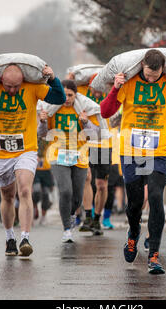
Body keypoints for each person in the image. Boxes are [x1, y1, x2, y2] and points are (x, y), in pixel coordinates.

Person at [100, 49, 166, 274]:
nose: (152, 79)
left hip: (159, 150)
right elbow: (106, 112)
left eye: (156, 76)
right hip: (131, 150)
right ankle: (133, 234)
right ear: (141, 67)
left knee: (155, 197)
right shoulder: (129, 82)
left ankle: (154, 254)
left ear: (163, 69)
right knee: (134, 203)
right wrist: (115, 88)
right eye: (148, 75)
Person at [0, 63, 65, 256]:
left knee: (25, 189)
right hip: (0, 151)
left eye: (16, 87)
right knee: (7, 196)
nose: (12, 90)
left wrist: (53, 79)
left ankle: (25, 238)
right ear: (1, 80)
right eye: (9, 86)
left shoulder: (32, 87)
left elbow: (58, 97)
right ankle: (10, 237)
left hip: (26, 147)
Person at [38, 79, 100, 243]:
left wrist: (85, 122)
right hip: (58, 155)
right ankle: (66, 229)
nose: (66, 98)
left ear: (76, 96)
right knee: (65, 191)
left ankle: (72, 214)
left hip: (79, 156)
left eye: (70, 95)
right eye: (64, 95)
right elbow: (43, 134)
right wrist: (43, 121)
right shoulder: (53, 110)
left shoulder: (83, 110)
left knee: (77, 196)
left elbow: (95, 134)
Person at [78, 75, 110, 235]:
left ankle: (97, 218)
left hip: (104, 145)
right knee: (86, 178)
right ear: (89, 87)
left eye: (100, 88)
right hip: (86, 143)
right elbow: (70, 86)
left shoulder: (109, 93)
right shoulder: (82, 93)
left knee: (101, 185)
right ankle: (88, 216)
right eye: (94, 88)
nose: (97, 92)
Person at [32, 137, 54, 226]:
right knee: (36, 191)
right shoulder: (34, 135)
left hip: (46, 168)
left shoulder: (50, 137)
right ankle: (34, 206)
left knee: (46, 193)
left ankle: (44, 216)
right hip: (35, 169)